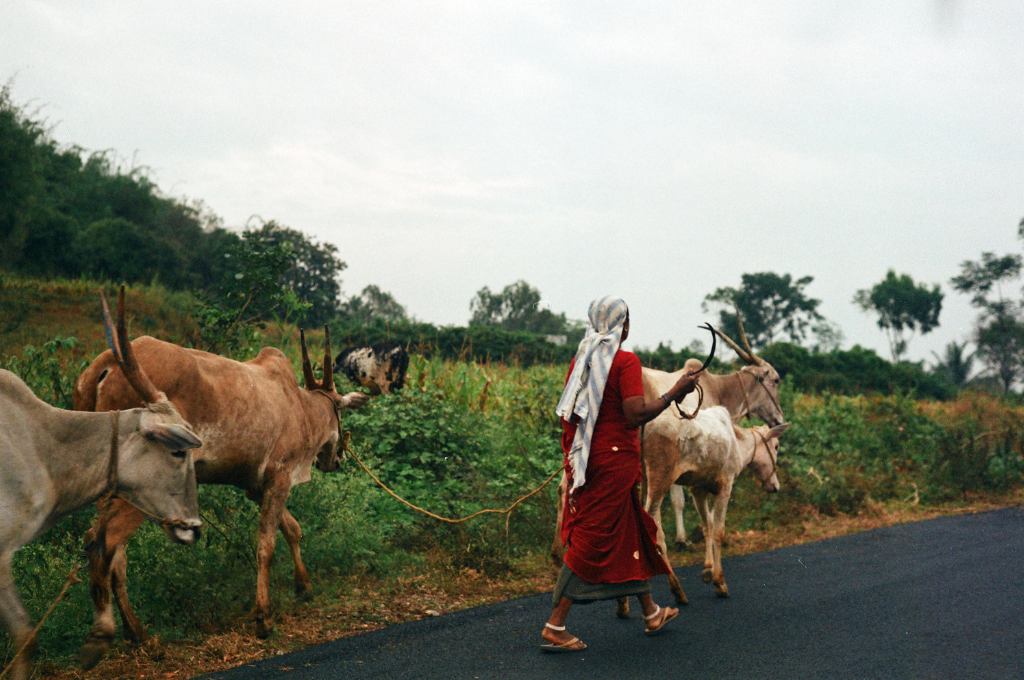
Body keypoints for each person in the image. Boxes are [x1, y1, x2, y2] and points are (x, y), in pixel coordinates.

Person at [541, 296, 702, 652]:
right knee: (591, 538)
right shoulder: (625, 361)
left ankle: (651, 612)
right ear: (622, 326)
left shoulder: (581, 360)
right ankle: (555, 625)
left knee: (631, 530)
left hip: (593, 460)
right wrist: (675, 392)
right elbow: (633, 415)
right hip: (614, 466)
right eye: (627, 320)